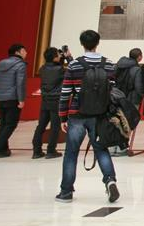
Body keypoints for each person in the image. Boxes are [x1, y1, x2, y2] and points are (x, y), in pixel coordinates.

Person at [55, 30, 119, 203]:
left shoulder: (74, 65)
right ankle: (110, 180)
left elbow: (65, 93)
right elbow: (112, 91)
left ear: (82, 44)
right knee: (101, 149)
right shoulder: (108, 64)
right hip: (100, 115)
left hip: (77, 114)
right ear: (98, 43)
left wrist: (62, 117)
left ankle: (66, 192)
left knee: (71, 153)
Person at [32, 47, 66, 159]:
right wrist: (67, 57)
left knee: (41, 125)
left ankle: (36, 150)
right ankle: (51, 150)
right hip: (56, 100)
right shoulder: (60, 69)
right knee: (55, 127)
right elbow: (69, 70)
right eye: (58, 54)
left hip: (45, 100)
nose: (60, 56)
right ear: (54, 57)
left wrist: (60, 59)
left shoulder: (42, 68)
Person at [0, 43, 27, 158]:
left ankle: (3, 149)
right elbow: (20, 83)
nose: (26, 53)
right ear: (17, 52)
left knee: (4, 124)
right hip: (13, 98)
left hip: (1, 98)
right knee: (11, 124)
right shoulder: (20, 65)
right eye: (24, 51)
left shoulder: (1, 63)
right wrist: (21, 99)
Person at [112, 48, 144, 157]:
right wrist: (143, 95)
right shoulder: (137, 69)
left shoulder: (118, 66)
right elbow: (138, 87)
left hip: (117, 98)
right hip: (131, 100)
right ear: (139, 57)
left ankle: (113, 147)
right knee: (128, 123)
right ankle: (122, 148)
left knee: (117, 122)